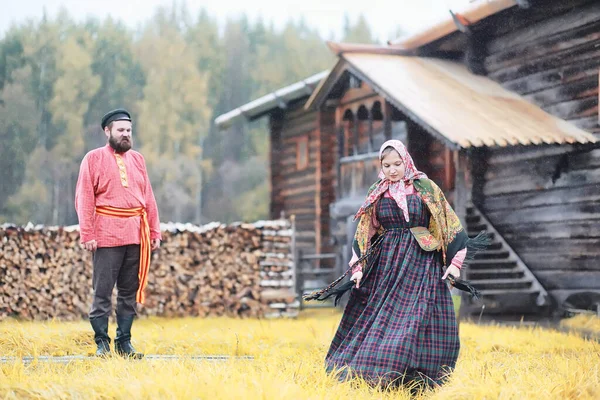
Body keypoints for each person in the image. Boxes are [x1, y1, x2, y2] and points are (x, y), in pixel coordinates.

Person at [305, 139, 487, 389]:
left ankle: (418, 375)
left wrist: (455, 264)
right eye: (386, 165)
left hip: (421, 262)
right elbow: (364, 233)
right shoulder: (378, 191)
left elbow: (448, 224)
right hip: (386, 266)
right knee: (384, 317)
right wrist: (357, 269)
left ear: (406, 161)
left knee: (419, 315)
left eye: (397, 164)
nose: (392, 170)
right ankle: (378, 371)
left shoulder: (425, 187)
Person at [75, 108, 161, 358]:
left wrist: (155, 230)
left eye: (129, 131)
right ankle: (102, 343)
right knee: (102, 292)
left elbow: (148, 198)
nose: (126, 135)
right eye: (121, 130)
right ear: (107, 131)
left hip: (136, 234)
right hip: (106, 235)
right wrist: (87, 233)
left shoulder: (138, 159)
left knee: (128, 292)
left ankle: (125, 343)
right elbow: (84, 197)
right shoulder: (93, 159)